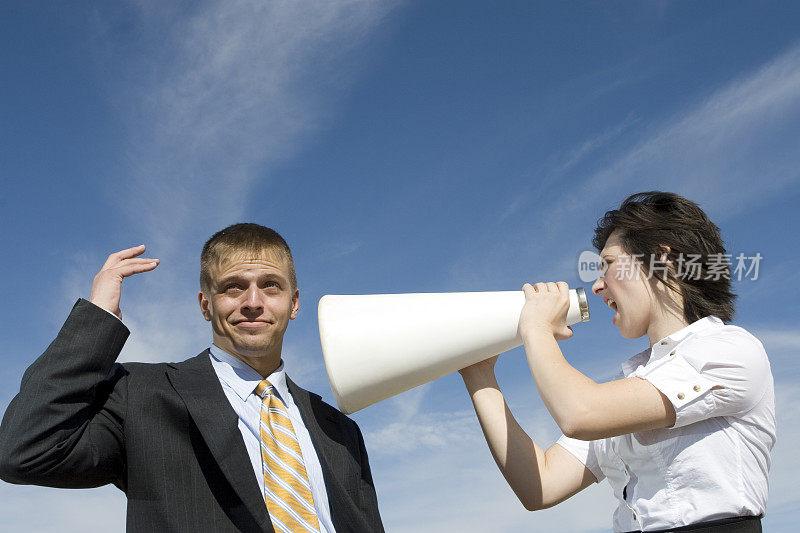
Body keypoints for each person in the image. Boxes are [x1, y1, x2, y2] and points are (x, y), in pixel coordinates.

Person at [0, 223, 384, 533]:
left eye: (271, 285)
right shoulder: (142, 395)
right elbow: (24, 452)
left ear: (294, 303)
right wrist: (98, 318)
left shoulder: (337, 427)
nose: (253, 302)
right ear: (206, 305)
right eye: (233, 287)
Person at [459, 192, 775, 532]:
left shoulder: (729, 349)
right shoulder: (632, 382)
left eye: (607, 264)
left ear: (662, 261)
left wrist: (535, 327)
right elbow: (542, 486)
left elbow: (580, 413)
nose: (596, 287)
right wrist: (480, 377)